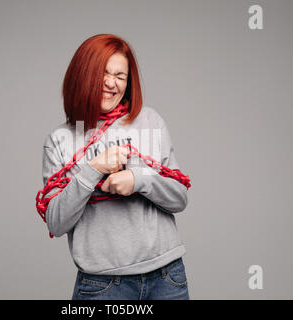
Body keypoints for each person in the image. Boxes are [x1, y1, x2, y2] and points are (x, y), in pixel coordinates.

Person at [40, 34, 190, 300]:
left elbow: (179, 199)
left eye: (120, 76)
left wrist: (138, 179)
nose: (111, 84)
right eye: (103, 73)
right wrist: (93, 168)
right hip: (103, 285)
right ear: (82, 75)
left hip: (167, 277)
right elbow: (56, 223)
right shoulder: (60, 140)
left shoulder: (149, 121)